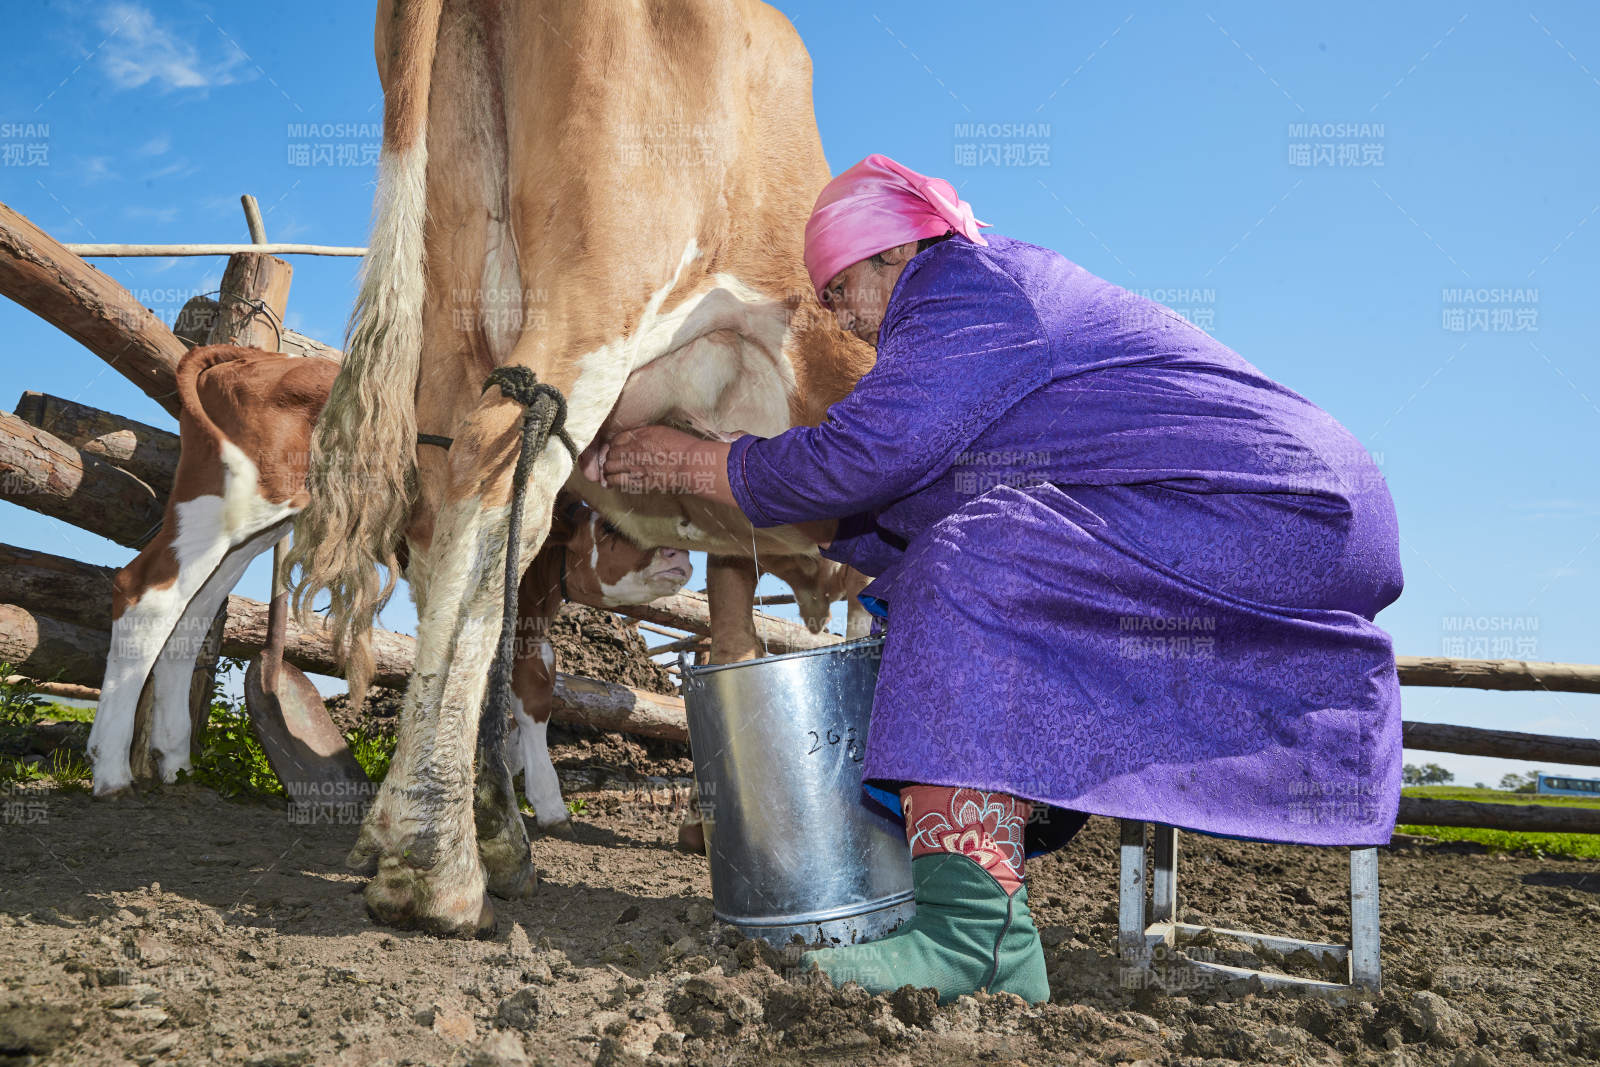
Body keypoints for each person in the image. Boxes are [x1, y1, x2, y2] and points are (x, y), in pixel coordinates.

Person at [596, 153, 1404, 1004]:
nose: (837, 315)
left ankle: (968, 937)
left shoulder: (963, 286)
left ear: (893, 253)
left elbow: (867, 455)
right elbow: (918, 486)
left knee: (966, 560)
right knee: (937, 565)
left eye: (837, 287)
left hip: (1280, 512)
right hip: (1285, 515)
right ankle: (991, 928)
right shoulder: (976, 301)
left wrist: (692, 465)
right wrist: (828, 531)